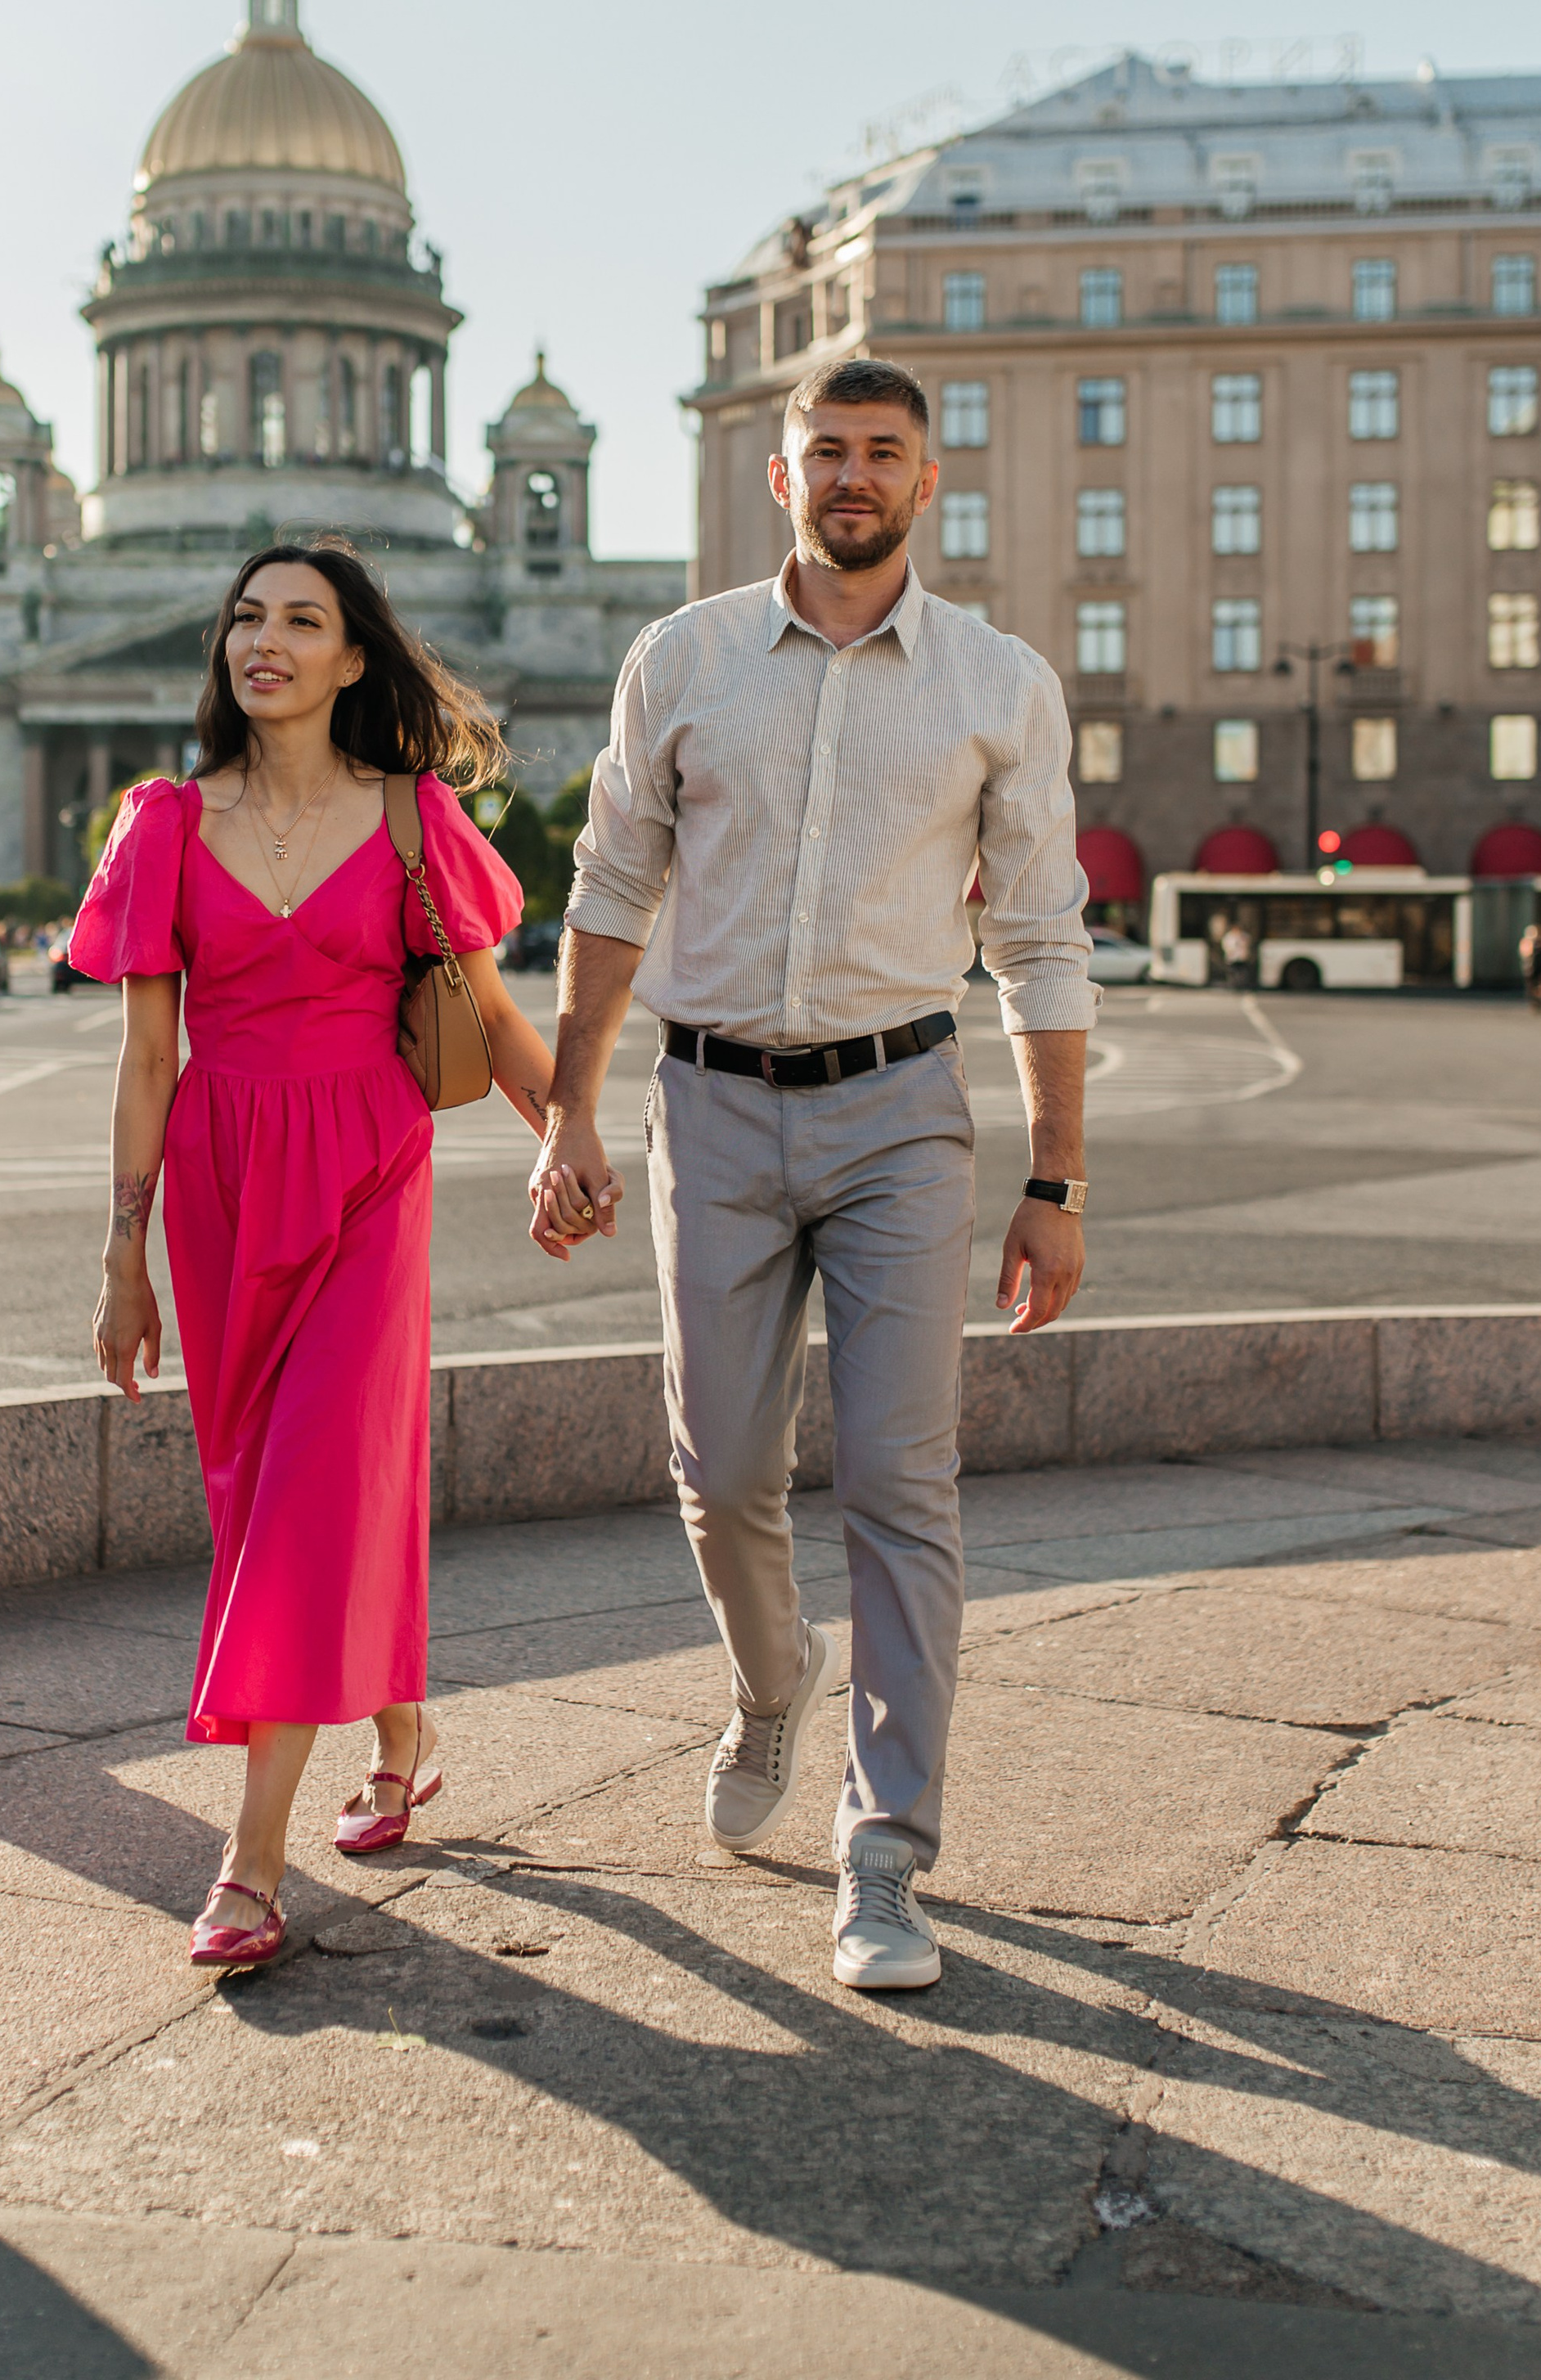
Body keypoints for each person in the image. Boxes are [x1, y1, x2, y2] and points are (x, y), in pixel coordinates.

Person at [529, 358, 1094, 1993]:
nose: (852, 475)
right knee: (718, 1475)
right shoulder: (683, 658)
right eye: (824, 451)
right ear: (778, 479)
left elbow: (1040, 939)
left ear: (927, 483)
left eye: (883, 453)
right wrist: (568, 1114)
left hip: (898, 1112)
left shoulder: (995, 683)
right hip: (706, 1106)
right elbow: (610, 894)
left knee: (902, 1487)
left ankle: (884, 1853)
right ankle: (773, 1689)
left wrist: (1053, 1181)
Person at [75, 538, 602, 1970]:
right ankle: (404, 1726)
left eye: (302, 620)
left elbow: (489, 1021)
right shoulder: (164, 824)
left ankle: (250, 1862)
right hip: (222, 1178)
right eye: (247, 617)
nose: (266, 641)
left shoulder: (418, 818)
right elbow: (144, 1057)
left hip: (371, 1167)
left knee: (312, 1484)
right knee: (265, 1493)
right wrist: (122, 1255)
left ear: (353, 657)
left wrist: (568, 1137)